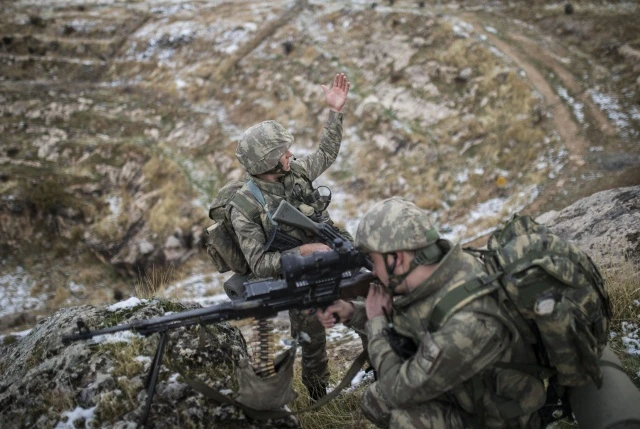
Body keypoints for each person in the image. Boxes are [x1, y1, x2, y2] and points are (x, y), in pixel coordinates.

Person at [317, 197, 546, 428]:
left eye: (373, 261)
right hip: (468, 388)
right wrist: (350, 313)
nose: (373, 271)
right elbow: (410, 319)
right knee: (374, 400)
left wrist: (376, 323)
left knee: (402, 419)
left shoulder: (466, 324)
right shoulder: (447, 269)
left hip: (501, 417)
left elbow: (396, 390)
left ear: (396, 258)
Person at [230, 73, 351, 402]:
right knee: (312, 342)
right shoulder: (245, 207)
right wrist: (306, 251)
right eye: (283, 151)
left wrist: (335, 112)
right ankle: (318, 400)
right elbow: (259, 263)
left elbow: (326, 154)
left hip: (333, 254)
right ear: (267, 161)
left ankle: (381, 366)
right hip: (297, 277)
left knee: (369, 305)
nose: (291, 152)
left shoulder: (295, 170)